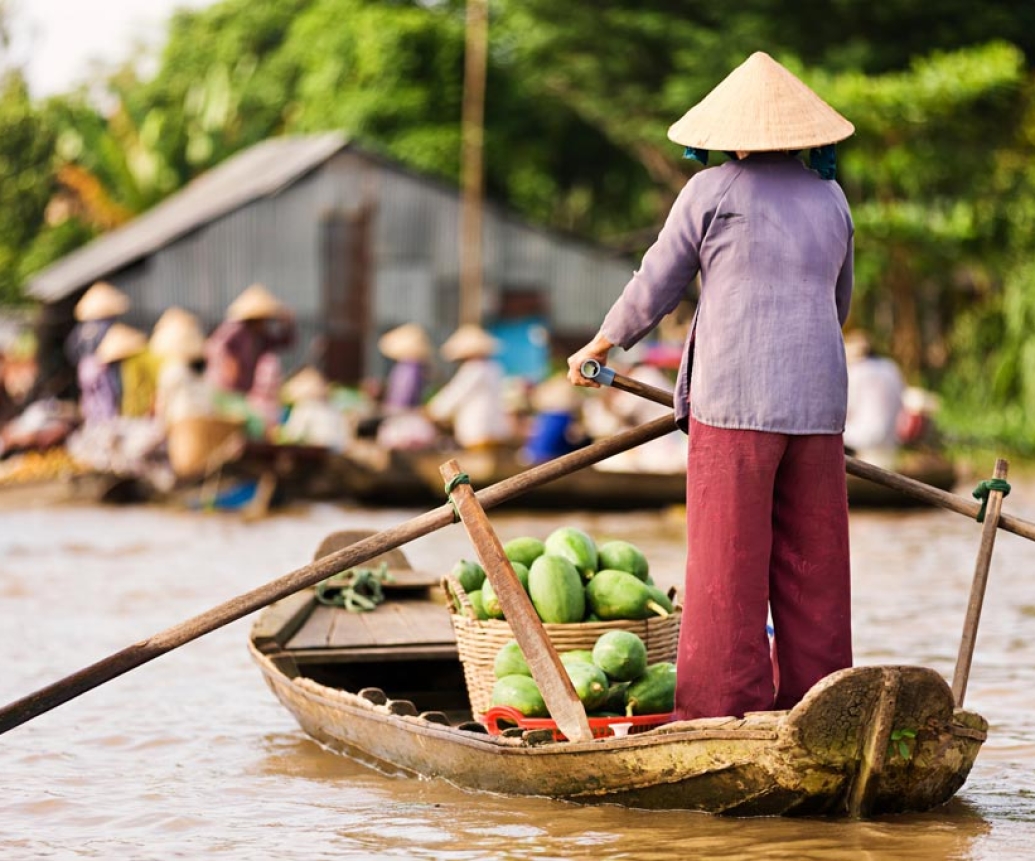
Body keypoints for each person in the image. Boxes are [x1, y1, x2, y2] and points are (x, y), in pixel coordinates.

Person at [567, 51, 856, 720]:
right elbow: (837, 303)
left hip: (734, 403)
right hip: (818, 403)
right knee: (814, 566)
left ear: (732, 134)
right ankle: (820, 707)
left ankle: (721, 710)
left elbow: (656, 283)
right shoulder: (831, 198)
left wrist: (601, 345)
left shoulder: (711, 191)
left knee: (728, 563)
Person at [426, 324, 514, 450]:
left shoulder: (473, 369)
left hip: (477, 429)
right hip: (497, 429)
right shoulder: (494, 368)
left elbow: (454, 395)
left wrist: (433, 411)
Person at [204, 283, 296, 395]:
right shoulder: (236, 330)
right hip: (227, 388)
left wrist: (288, 324)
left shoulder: (260, 337)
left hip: (246, 390)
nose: (265, 323)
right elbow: (216, 347)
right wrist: (229, 367)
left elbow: (285, 342)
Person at [64, 280, 130, 423]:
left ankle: (93, 424)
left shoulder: (80, 330)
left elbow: (71, 350)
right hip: (102, 367)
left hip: (85, 369)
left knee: (90, 399)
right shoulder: (107, 326)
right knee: (108, 399)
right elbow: (115, 349)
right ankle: (108, 424)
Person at [843, 330, 906, 467]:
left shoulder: (855, 372)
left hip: (860, 444)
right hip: (890, 443)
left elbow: (843, 411)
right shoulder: (891, 367)